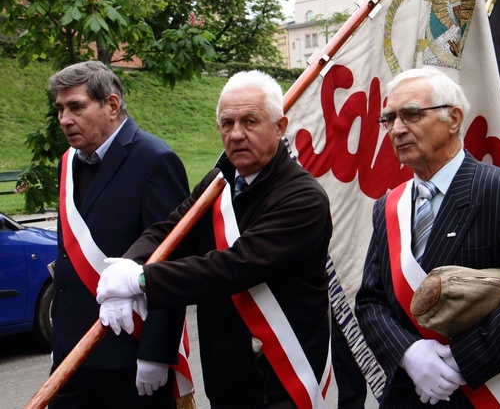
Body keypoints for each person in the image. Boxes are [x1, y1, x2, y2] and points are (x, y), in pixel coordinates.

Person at [96, 70, 333, 407]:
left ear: (280, 127)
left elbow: (236, 266)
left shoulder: (303, 198)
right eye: (227, 123)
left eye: (250, 122)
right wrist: (126, 265)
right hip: (227, 376)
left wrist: (142, 280)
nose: (236, 134)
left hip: (282, 377)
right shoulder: (218, 182)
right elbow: (172, 232)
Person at [355, 67, 500, 408]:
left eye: (411, 114)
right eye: (389, 118)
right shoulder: (388, 206)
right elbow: (370, 302)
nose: (396, 129)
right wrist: (410, 354)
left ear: (453, 119)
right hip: (408, 392)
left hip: (490, 390)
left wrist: (458, 361)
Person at [48, 60, 190, 407]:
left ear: (111, 105)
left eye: (76, 106)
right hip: (70, 352)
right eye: (60, 109)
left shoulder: (155, 159)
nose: (65, 119)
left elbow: (171, 258)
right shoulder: (68, 163)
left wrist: (157, 353)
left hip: (128, 352)